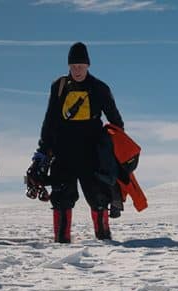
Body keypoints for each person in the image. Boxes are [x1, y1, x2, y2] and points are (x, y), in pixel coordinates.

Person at [33, 42, 124, 242]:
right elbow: (50, 120)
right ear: (68, 66)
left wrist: (111, 150)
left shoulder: (100, 88)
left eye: (81, 66)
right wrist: (43, 149)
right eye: (73, 66)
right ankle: (61, 242)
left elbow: (116, 122)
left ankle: (104, 240)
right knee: (61, 199)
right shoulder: (59, 87)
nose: (77, 70)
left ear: (88, 66)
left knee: (98, 198)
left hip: (91, 153)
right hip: (63, 152)